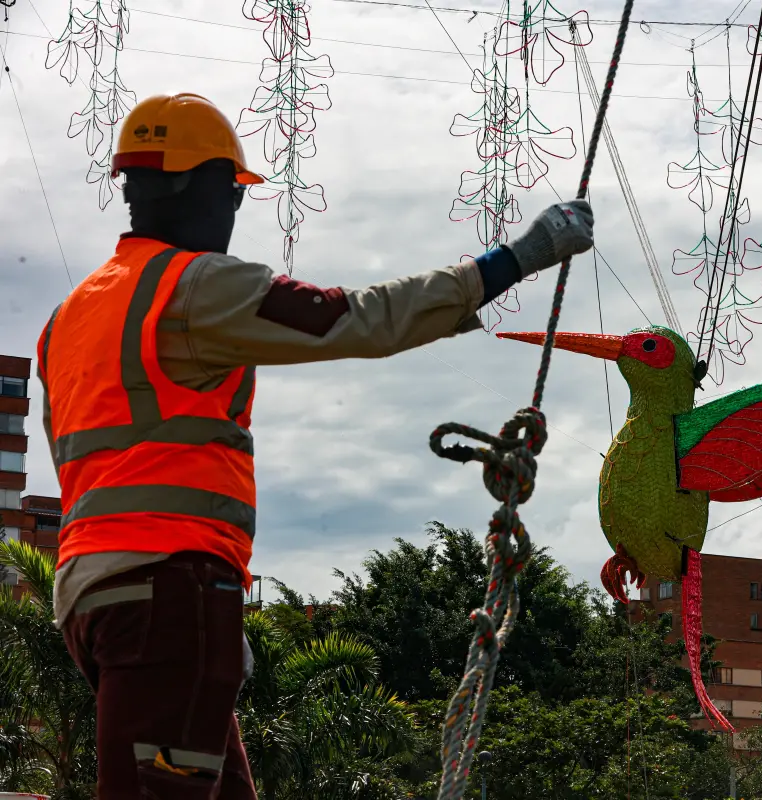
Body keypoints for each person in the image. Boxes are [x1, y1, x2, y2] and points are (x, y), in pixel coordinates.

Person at [35, 92, 594, 799]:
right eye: (234, 189)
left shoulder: (70, 315)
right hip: (170, 591)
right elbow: (355, 319)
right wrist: (518, 258)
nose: (235, 209)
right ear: (200, 184)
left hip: (92, 599)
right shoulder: (195, 286)